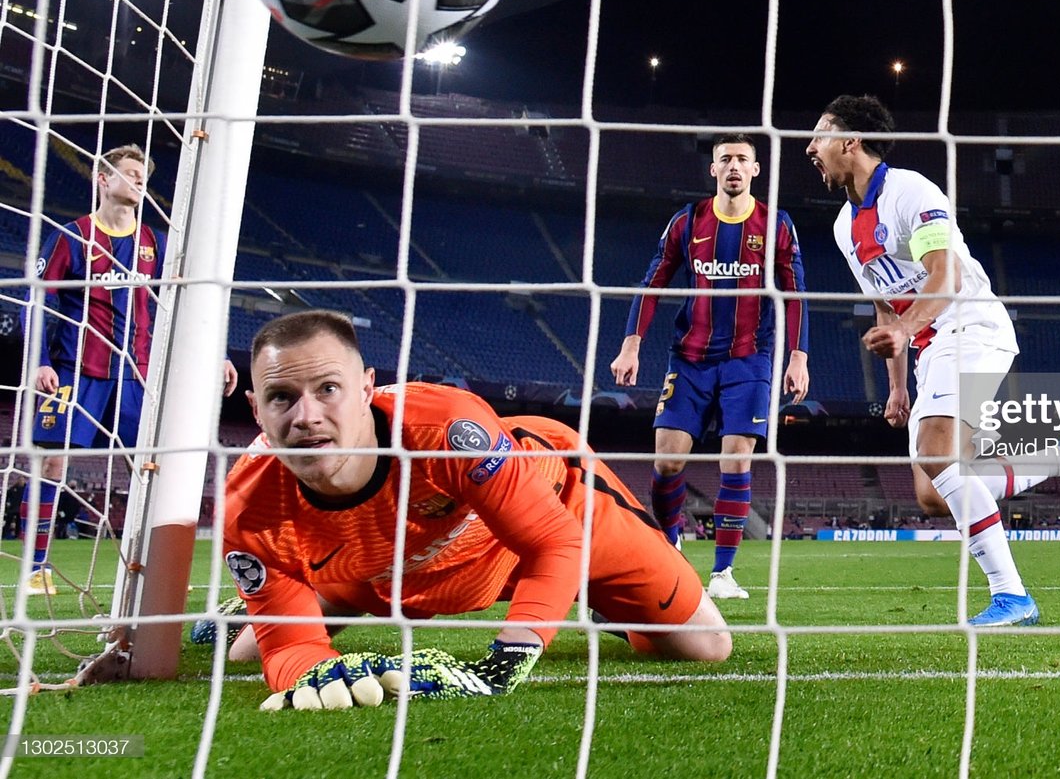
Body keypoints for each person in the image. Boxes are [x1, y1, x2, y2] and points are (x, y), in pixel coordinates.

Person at [220, 310, 730, 711]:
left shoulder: (448, 431)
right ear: (256, 409)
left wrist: (507, 659)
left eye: (327, 389)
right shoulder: (247, 510)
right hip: (391, 565)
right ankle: (266, 600)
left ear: (365, 388)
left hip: (556, 511)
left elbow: (553, 541)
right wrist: (318, 671)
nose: (307, 417)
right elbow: (290, 652)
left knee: (708, 645)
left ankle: (598, 601)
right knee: (246, 656)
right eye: (282, 397)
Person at [806, 95, 1060, 627]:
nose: (811, 148)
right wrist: (898, 387)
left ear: (849, 141)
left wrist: (906, 330)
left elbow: (945, 275)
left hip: (969, 325)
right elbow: (886, 304)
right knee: (933, 495)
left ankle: (1013, 597)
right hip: (930, 345)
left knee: (937, 458)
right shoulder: (844, 226)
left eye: (819, 135)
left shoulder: (911, 191)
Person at [24, 144, 237, 595]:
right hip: (73, 373)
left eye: (144, 175)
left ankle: (149, 566)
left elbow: (184, 303)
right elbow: (38, 299)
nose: (140, 181)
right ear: (103, 179)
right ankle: (35, 568)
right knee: (51, 463)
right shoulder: (71, 237)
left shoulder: (155, 244)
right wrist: (41, 361)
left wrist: (212, 351)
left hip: (136, 376)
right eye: (131, 173)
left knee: (153, 465)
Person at [610, 133, 810, 602]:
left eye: (743, 159)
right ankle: (672, 546)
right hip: (691, 357)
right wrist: (631, 344)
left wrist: (798, 357)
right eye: (726, 160)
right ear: (714, 169)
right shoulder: (688, 220)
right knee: (666, 460)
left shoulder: (776, 225)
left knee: (736, 459)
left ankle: (722, 574)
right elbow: (652, 281)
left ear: (756, 170)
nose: (735, 166)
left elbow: (796, 293)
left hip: (750, 358)